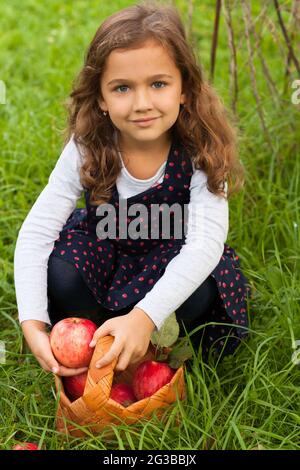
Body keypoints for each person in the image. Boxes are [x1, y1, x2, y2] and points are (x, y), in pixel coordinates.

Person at [14, 1, 251, 378]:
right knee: (60, 274)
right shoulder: (89, 146)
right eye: (122, 88)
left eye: (158, 84)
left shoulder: (200, 149)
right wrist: (32, 321)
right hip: (109, 254)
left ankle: (164, 345)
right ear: (102, 99)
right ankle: (101, 334)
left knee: (203, 292)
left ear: (185, 88)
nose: (142, 104)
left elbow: (204, 245)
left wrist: (144, 317)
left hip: (173, 260)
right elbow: (37, 232)